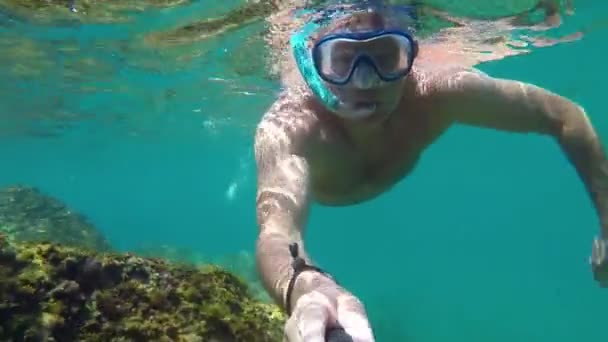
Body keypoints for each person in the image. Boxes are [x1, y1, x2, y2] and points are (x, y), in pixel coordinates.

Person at [253, 1, 605, 341]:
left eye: (386, 57)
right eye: (342, 60)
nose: (365, 82)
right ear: (313, 64)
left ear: (411, 56)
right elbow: (277, 233)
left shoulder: (436, 95)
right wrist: (306, 286)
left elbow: (564, 117)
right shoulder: (292, 128)